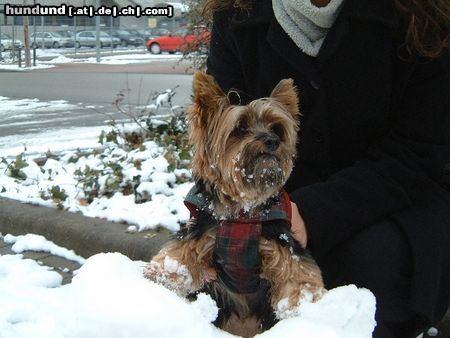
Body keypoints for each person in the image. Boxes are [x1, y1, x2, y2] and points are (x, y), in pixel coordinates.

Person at [202, 0, 450, 337]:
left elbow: (418, 150)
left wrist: (311, 213)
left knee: (367, 273)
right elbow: (222, 141)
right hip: (269, 200)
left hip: (396, 201)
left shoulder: (424, 17)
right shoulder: (237, 15)